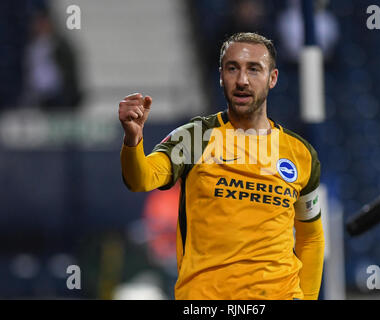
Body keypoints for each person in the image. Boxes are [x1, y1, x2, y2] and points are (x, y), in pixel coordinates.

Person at [119, 32, 324, 300]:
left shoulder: (301, 154)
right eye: (232, 69)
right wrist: (133, 140)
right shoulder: (195, 137)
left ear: (272, 78)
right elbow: (141, 179)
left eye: (254, 69)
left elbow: (311, 238)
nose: (242, 80)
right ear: (220, 76)